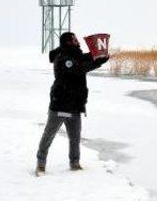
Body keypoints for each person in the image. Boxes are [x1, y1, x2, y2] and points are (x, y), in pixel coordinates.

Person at [35, 32, 109, 176]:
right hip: (60, 105)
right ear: (68, 42)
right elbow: (79, 68)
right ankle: (41, 165)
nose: (78, 40)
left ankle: (75, 163)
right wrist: (98, 62)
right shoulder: (62, 58)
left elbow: (83, 59)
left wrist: (99, 56)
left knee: (75, 138)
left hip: (75, 105)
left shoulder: (74, 54)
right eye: (75, 39)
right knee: (49, 135)